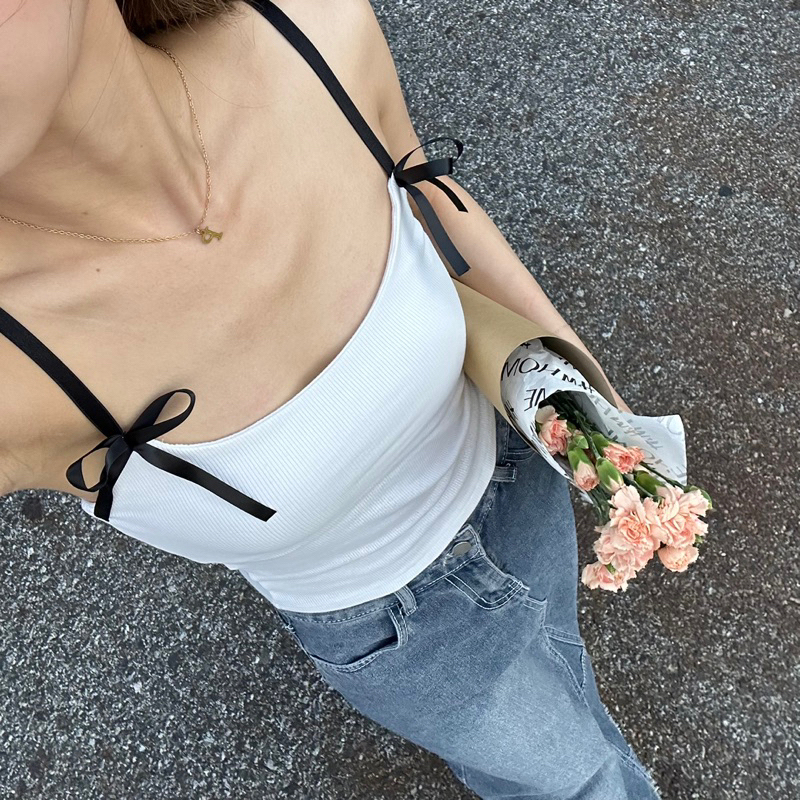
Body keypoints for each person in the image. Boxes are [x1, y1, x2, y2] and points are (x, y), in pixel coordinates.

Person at [0, 0, 661, 796]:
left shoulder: (309, 29)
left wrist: (607, 425)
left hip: (515, 471)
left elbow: (430, 202)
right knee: (583, 778)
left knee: (563, 666)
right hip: (401, 633)